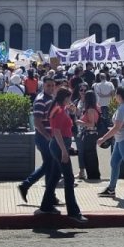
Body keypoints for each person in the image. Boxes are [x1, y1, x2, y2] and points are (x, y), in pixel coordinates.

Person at [37, 87, 87, 223]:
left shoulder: (60, 108)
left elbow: (66, 126)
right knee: (69, 179)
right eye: (69, 97)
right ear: (65, 98)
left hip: (59, 145)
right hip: (59, 146)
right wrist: (64, 151)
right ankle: (73, 212)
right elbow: (57, 131)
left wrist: (73, 114)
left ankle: (46, 206)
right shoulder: (59, 110)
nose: (70, 100)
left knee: (54, 176)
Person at [18, 77, 57, 203]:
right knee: (49, 164)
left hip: (49, 137)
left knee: (49, 165)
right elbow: (37, 122)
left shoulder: (50, 99)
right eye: (48, 86)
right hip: (44, 137)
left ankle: (50, 195)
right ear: (43, 86)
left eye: (52, 85)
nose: (51, 88)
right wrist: (47, 136)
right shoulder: (41, 100)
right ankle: (26, 185)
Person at [76, 90, 101, 181]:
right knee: (91, 155)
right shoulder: (96, 107)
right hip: (92, 135)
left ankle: (93, 175)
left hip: (90, 134)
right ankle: (93, 174)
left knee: (90, 156)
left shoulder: (90, 109)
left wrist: (80, 122)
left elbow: (92, 124)